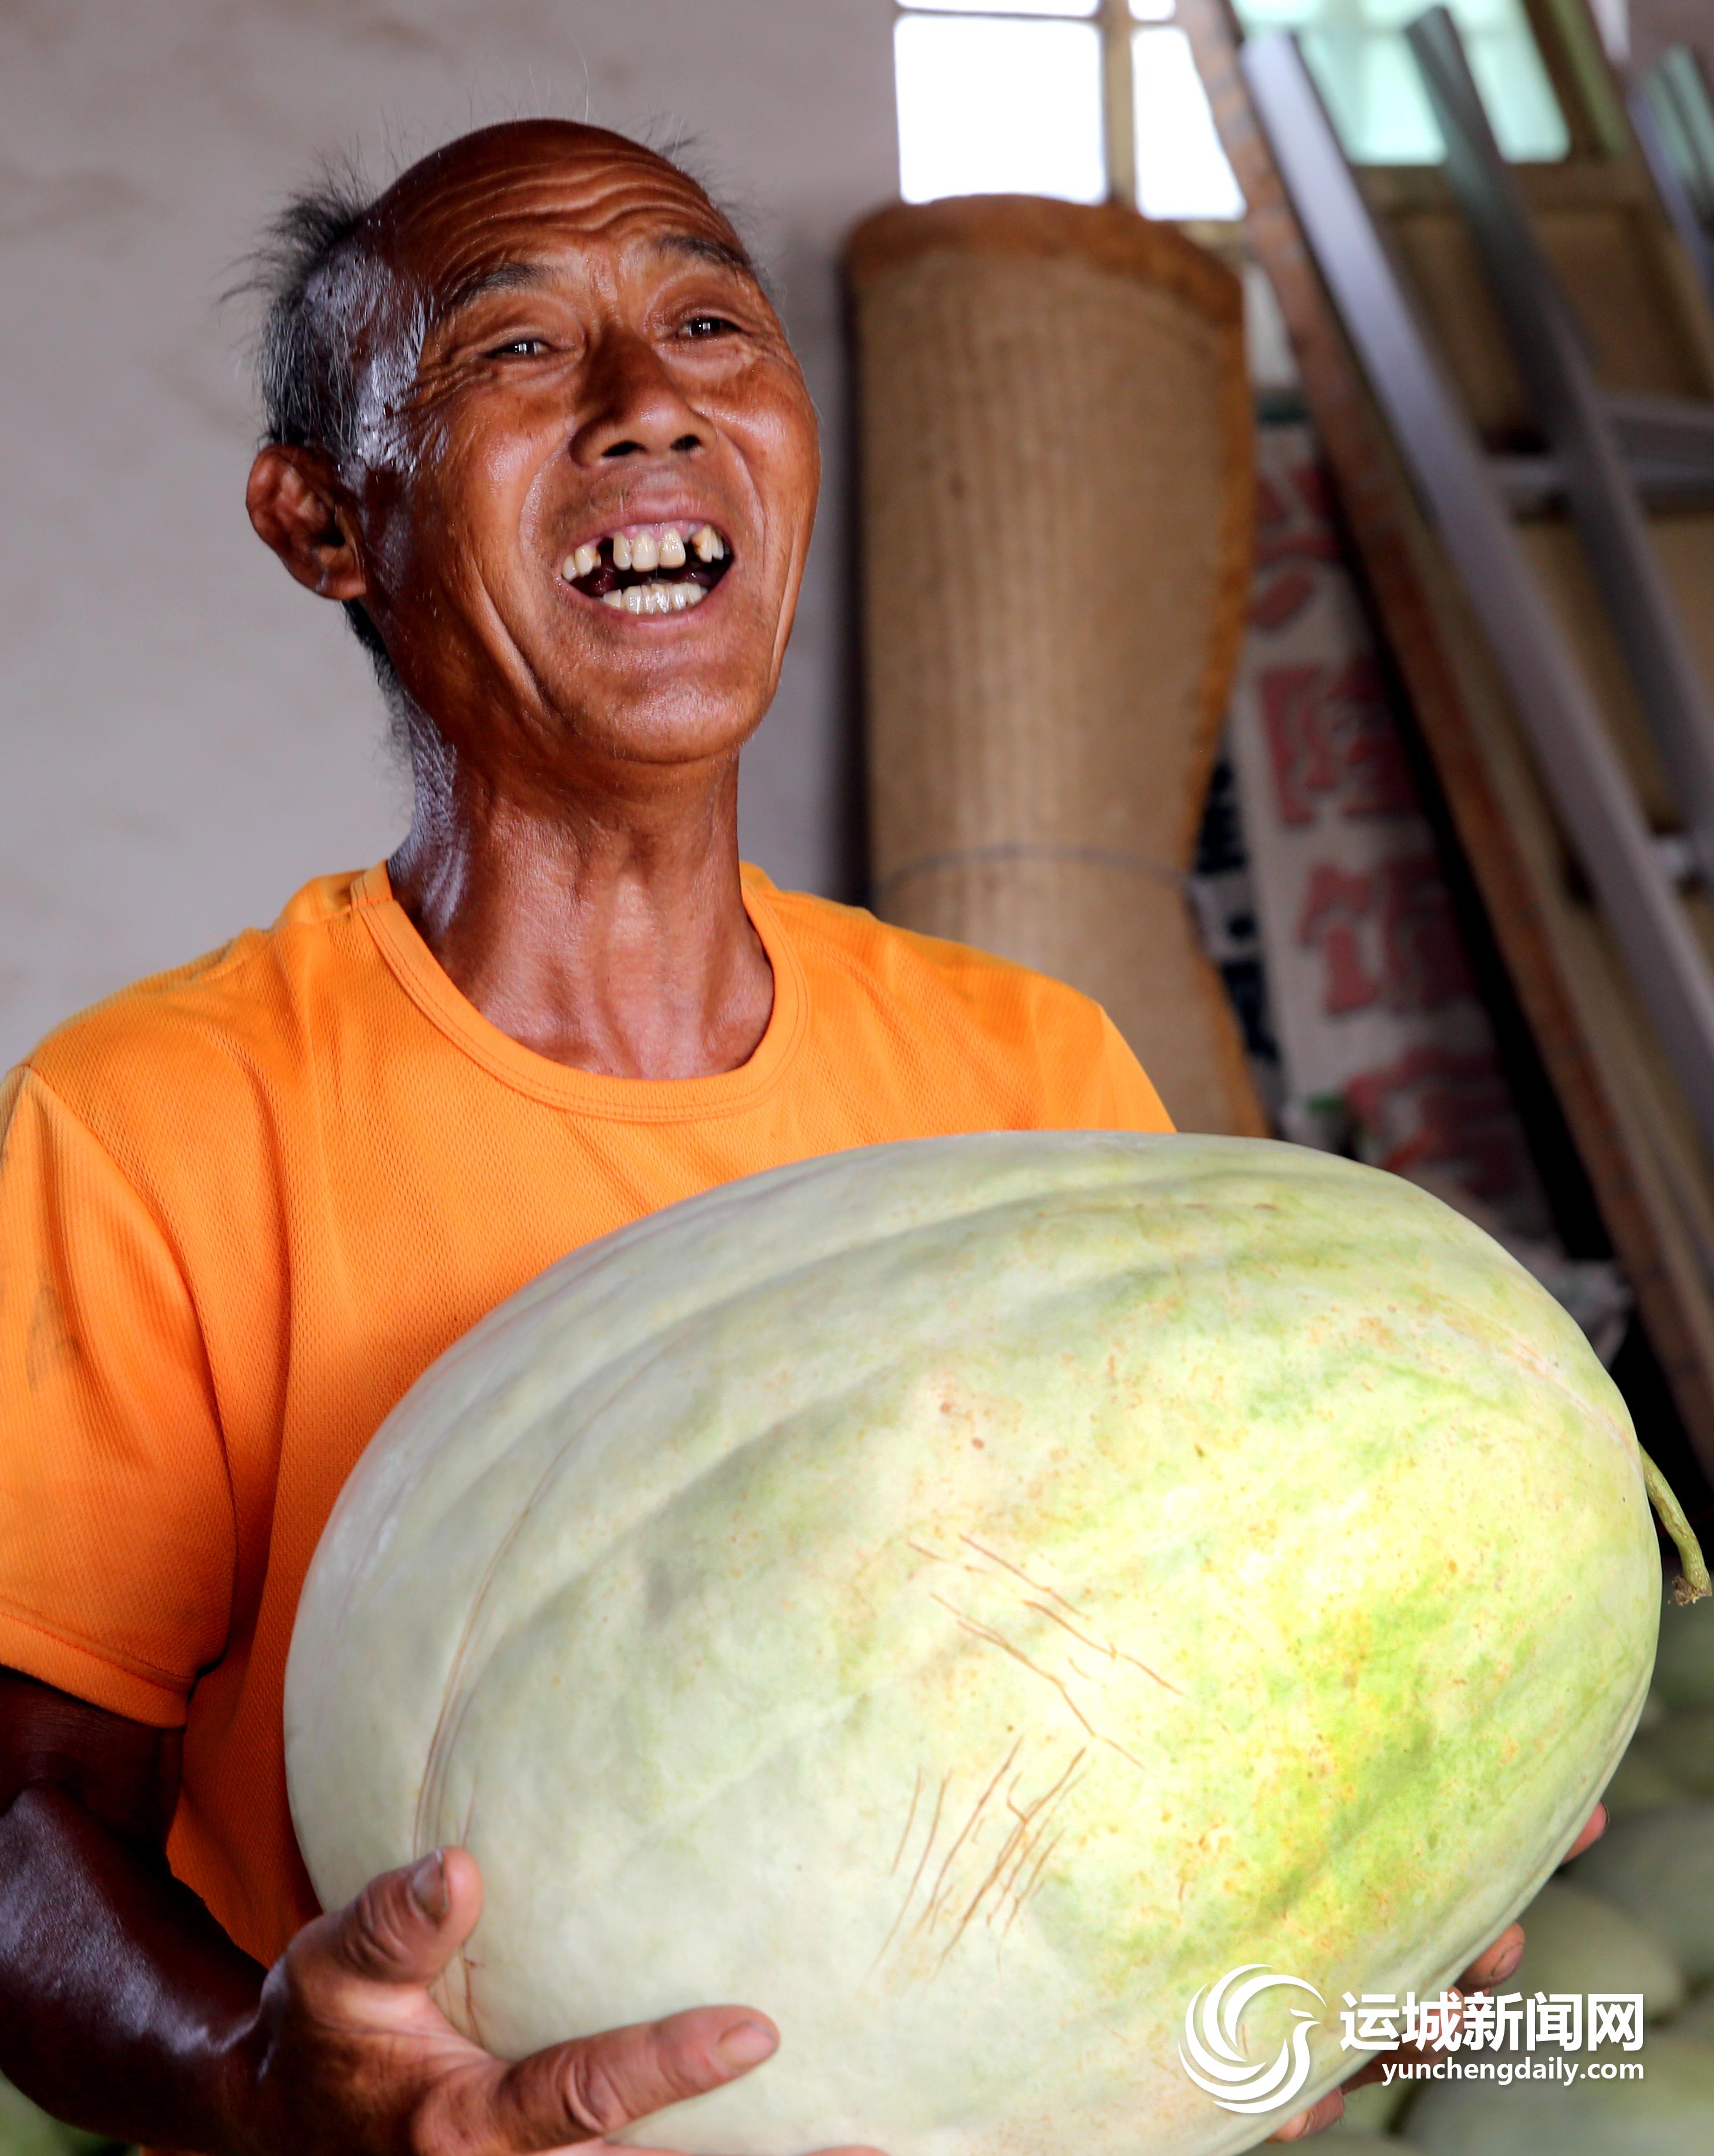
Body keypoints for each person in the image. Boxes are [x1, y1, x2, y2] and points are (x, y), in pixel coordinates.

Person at [0, 119, 1593, 2156]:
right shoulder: (152, 1118)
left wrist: (1312, 1922)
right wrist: (257, 2085)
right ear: (323, 522)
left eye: (709, 323)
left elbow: (1154, 1708)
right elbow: (21, 1820)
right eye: (512, 353)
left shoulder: (1033, 1071)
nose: (647, 405)